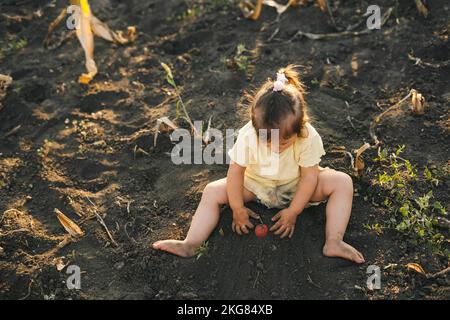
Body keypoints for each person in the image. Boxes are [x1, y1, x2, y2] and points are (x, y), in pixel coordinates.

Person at [153, 65, 365, 264]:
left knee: (342, 182)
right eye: (267, 140)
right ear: (256, 128)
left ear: (300, 127)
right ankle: (191, 243)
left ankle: (334, 240)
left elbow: (310, 177)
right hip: (256, 187)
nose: (274, 147)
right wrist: (237, 208)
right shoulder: (248, 135)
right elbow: (236, 172)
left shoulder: (307, 135)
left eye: (283, 142)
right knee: (212, 191)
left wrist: (293, 211)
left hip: (297, 187)